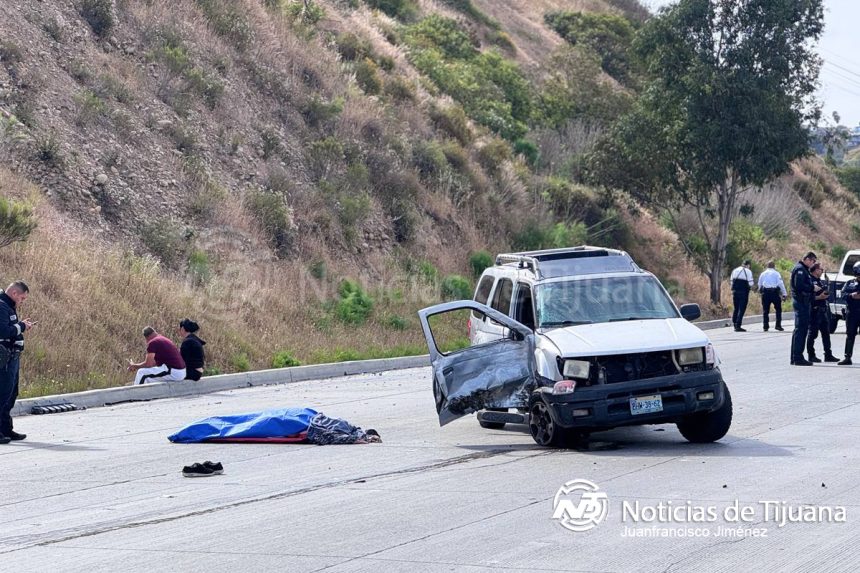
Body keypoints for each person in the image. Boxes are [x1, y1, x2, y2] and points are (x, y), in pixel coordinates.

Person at [0, 281, 33, 443]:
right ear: (14, 293)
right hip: (4, 358)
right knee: (3, 394)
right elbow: (3, 331)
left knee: (11, 394)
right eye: (22, 298)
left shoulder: (8, 306)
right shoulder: (1, 306)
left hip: (12, 357)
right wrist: (21, 326)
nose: (22, 301)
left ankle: (6, 429)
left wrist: (21, 326)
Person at [790, 252, 817, 366]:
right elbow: (799, 286)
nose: (813, 264)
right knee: (801, 330)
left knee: (799, 330)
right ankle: (798, 357)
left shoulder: (804, 269)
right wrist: (812, 287)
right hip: (801, 302)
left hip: (803, 302)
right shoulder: (800, 269)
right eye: (813, 261)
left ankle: (795, 357)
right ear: (807, 259)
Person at [807, 264, 838, 363]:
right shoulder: (810, 281)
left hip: (822, 309)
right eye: (821, 269)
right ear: (816, 270)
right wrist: (819, 297)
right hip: (814, 310)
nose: (822, 271)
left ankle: (828, 355)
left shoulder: (820, 280)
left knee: (826, 333)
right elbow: (807, 297)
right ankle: (811, 355)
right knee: (813, 334)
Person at [838, 261, 860, 365]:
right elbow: (842, 294)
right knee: (850, 335)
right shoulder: (849, 283)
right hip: (852, 313)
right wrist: (851, 295)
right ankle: (847, 357)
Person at [758, 260, 786, 332]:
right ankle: (778, 325)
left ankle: (765, 326)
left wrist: (760, 291)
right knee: (778, 309)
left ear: (767, 266)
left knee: (765, 310)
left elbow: (759, 284)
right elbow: (780, 284)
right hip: (774, 293)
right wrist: (784, 294)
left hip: (765, 293)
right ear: (774, 266)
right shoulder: (776, 273)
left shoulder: (763, 274)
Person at [730, 260, 754, 332]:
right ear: (748, 265)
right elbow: (751, 283)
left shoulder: (735, 270)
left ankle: (734, 323)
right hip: (743, 292)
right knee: (742, 308)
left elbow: (731, 281)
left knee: (736, 308)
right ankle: (738, 325)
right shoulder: (748, 271)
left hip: (735, 291)